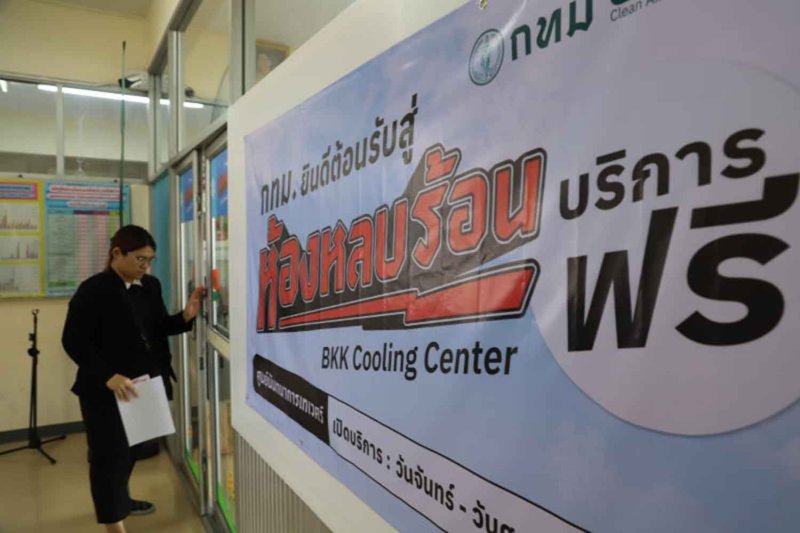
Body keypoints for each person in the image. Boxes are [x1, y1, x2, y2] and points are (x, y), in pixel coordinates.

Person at [62, 225, 204, 533]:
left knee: (132, 451)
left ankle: (120, 501)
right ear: (117, 253)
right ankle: (114, 522)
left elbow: (156, 328)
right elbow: (73, 341)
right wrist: (107, 376)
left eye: (150, 260)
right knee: (108, 457)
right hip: (106, 390)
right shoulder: (94, 290)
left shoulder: (149, 286)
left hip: (144, 385)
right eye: (140, 259)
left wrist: (185, 317)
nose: (145, 266)